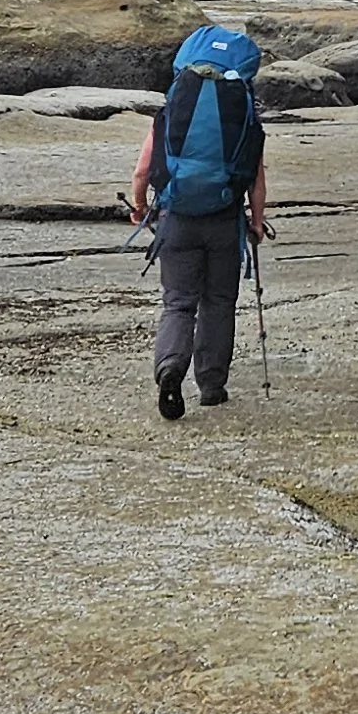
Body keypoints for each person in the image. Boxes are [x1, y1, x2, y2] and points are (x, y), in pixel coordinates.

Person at [130, 24, 267, 422]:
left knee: (178, 302)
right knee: (220, 302)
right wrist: (257, 223)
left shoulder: (171, 111)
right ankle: (211, 385)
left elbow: (142, 172)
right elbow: (257, 181)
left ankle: (171, 368)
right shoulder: (244, 113)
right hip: (225, 219)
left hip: (177, 217)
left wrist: (140, 207)